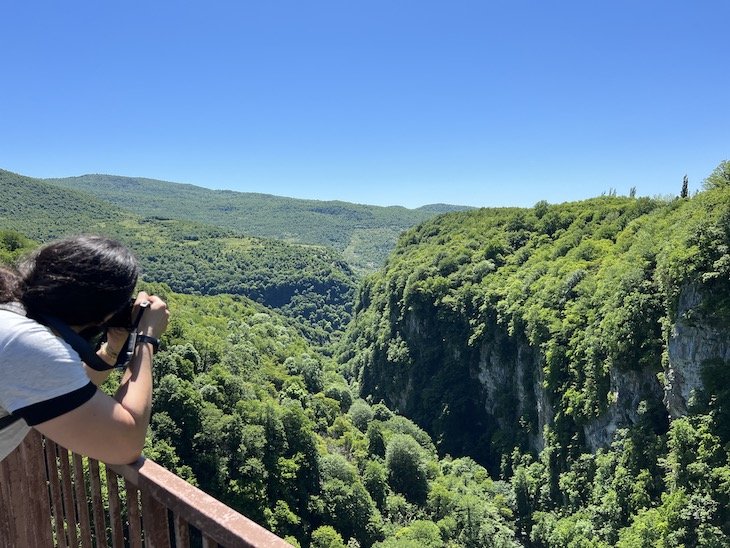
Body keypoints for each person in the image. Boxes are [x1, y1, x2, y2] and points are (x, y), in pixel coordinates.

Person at [0, 235, 169, 464]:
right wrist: (146, 338)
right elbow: (123, 445)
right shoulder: (27, 344)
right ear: (103, 314)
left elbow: (64, 391)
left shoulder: (11, 316)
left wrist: (111, 350)